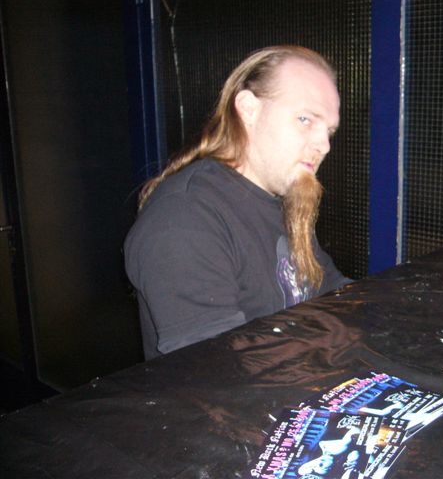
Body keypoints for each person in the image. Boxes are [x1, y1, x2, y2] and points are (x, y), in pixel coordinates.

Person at [124, 46, 350, 360]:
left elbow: (333, 291)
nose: (323, 145)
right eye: (305, 119)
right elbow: (217, 365)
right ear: (248, 109)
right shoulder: (184, 218)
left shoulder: (285, 200)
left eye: (329, 131)